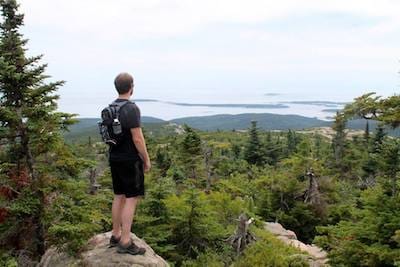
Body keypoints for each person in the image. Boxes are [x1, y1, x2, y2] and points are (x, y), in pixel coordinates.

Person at [107, 72, 151, 255]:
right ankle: (125, 241)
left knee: (119, 196)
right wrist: (146, 160)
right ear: (132, 87)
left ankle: (115, 234)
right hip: (130, 160)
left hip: (114, 157)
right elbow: (138, 139)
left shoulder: (110, 107)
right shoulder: (131, 108)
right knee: (131, 199)